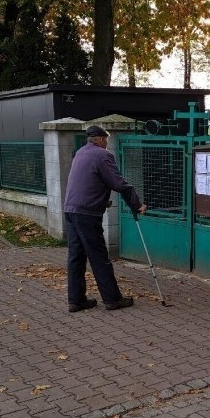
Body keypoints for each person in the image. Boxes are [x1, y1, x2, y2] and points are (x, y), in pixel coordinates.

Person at [64, 125, 146, 311]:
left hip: (71, 210)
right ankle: (112, 299)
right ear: (100, 139)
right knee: (98, 255)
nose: (107, 143)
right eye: (106, 140)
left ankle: (76, 301)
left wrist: (102, 202)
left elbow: (88, 183)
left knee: (76, 256)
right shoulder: (103, 155)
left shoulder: (80, 153)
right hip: (87, 214)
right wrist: (137, 205)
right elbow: (119, 183)